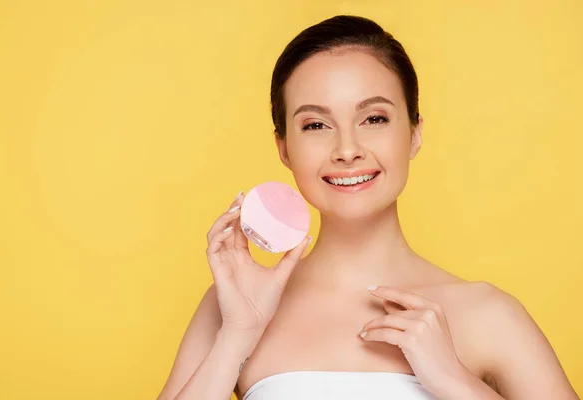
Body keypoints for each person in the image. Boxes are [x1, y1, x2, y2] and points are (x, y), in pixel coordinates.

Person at [157, 15, 579, 400]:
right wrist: (237, 336)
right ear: (283, 148)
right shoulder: (233, 304)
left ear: (414, 133)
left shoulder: (488, 314)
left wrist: (454, 381)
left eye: (373, 118)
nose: (346, 150)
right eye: (316, 125)